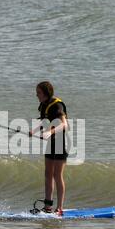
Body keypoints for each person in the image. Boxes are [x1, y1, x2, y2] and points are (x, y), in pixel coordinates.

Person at [29, 81, 68, 216]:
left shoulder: (57, 105)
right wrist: (33, 131)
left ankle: (60, 208)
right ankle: (47, 206)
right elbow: (44, 121)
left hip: (61, 143)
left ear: (46, 93)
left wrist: (50, 132)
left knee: (57, 175)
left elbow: (64, 125)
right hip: (51, 143)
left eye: (38, 92)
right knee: (48, 174)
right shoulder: (43, 105)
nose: (36, 95)